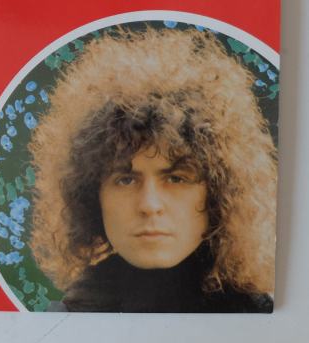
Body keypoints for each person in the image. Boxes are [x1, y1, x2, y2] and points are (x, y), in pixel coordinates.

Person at [29, 26, 277, 313]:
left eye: (176, 178)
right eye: (125, 180)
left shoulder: (261, 318)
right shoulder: (66, 322)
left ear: (219, 194)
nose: (149, 205)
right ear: (91, 197)